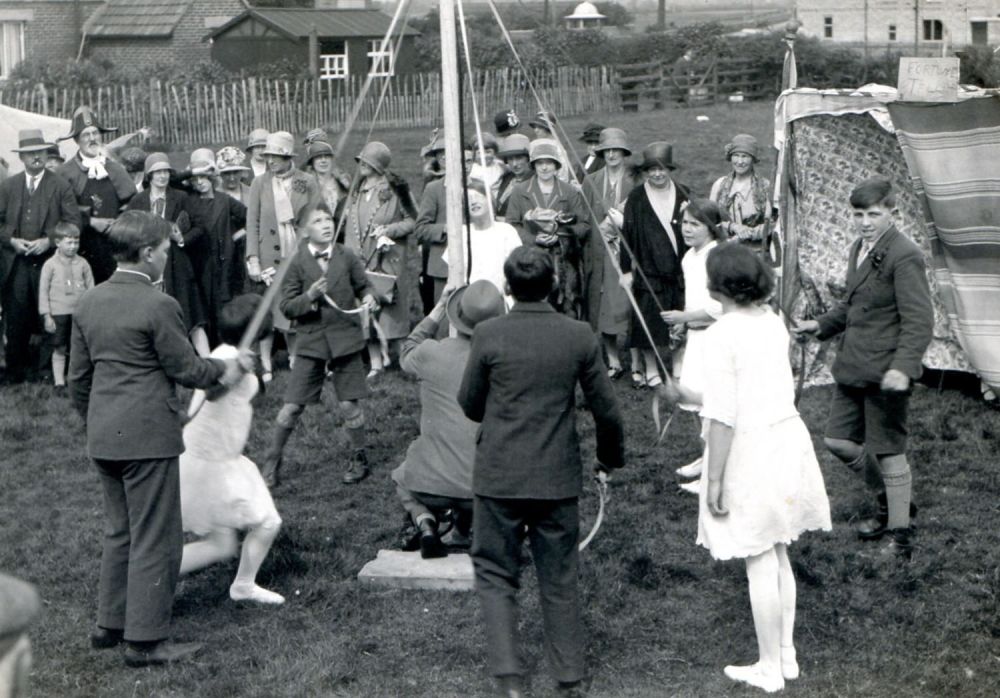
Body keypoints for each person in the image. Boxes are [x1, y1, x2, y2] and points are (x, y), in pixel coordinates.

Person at [68, 211, 248, 668]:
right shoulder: (159, 305)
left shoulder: (88, 301)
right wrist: (229, 367)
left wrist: (98, 421)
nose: (168, 257)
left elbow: (78, 381)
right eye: (166, 250)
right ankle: (145, 641)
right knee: (156, 537)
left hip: (105, 436)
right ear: (147, 253)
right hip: (147, 438)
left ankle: (110, 625)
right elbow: (187, 370)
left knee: (120, 531)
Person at [660, 243, 831, 694]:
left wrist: (713, 479)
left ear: (717, 288)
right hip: (784, 436)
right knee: (777, 550)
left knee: (758, 554)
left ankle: (769, 668)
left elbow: (723, 415)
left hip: (751, 447)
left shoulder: (721, 335)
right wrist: (689, 395)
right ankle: (786, 655)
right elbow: (747, 388)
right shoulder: (771, 322)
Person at [458, 246, 625, 698]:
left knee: (495, 572)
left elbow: (470, 405)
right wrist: (608, 461)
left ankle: (510, 678)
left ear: (508, 289)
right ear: (553, 285)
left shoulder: (488, 334)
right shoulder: (579, 335)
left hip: (499, 476)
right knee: (559, 574)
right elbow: (608, 414)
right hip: (556, 478)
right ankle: (569, 679)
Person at [793, 177, 933, 555]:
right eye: (858, 214)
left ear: (893, 213)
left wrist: (903, 367)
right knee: (837, 440)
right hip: (854, 364)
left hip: (886, 371)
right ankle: (894, 503)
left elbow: (919, 320)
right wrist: (820, 324)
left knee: (888, 449)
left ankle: (899, 534)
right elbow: (853, 305)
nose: (865, 221)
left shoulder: (905, 255)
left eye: (874, 213)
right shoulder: (859, 247)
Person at [259, 202, 379, 487]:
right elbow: (287, 307)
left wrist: (369, 296)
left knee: (350, 404)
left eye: (328, 219)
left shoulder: (346, 255)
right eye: (318, 221)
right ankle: (272, 459)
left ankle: (358, 456)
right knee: (291, 407)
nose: (326, 224)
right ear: (304, 230)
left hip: (345, 339)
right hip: (312, 341)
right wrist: (310, 296)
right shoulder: (295, 262)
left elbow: (364, 285)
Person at [179, 294, 284, 605]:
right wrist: (236, 371)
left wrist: (247, 368)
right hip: (211, 462)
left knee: (220, 544)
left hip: (218, 455)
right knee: (268, 521)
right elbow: (212, 393)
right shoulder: (227, 359)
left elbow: (255, 393)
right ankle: (149, 576)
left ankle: (147, 577)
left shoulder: (233, 353)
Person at [393, 280, 506, 558]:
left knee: (401, 478)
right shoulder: (504, 361)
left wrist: (438, 308)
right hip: (485, 491)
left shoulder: (433, 352)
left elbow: (407, 349)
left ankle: (425, 522)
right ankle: (475, 528)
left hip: (429, 485)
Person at [0, 129, 80, 384]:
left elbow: (74, 220)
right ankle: (15, 371)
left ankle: (46, 371)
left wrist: (49, 241)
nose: (36, 157)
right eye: (30, 153)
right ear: (21, 158)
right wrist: (11, 240)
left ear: (47, 154)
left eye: (41, 152)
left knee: (50, 315)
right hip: (17, 263)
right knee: (16, 316)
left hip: (50, 262)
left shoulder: (60, 186)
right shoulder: (8, 186)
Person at [660, 199, 728, 493]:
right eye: (684, 223)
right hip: (698, 335)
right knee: (700, 404)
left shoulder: (717, 257)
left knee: (714, 404)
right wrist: (683, 325)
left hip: (718, 337)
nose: (686, 229)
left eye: (694, 224)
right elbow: (694, 300)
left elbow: (719, 308)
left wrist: (684, 317)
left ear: (710, 228)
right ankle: (707, 456)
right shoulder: (690, 256)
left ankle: (715, 472)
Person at [245, 130, 322, 382]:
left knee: (296, 306)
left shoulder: (306, 181)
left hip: (298, 253)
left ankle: (295, 356)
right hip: (269, 257)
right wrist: (253, 258)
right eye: (268, 156)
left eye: (275, 157)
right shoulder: (260, 183)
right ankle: (265, 363)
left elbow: (318, 217)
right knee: (267, 310)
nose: (271, 162)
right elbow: (252, 222)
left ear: (288, 157)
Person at [341, 141, 416, 377]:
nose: (361, 165)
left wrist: (389, 230)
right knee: (365, 311)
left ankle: (405, 360)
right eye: (361, 161)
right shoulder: (356, 189)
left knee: (392, 312)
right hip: (359, 259)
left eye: (367, 161)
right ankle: (375, 363)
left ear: (378, 165)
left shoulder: (396, 189)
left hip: (387, 261)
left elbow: (414, 221)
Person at [619, 141, 688, 389]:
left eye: (662, 169)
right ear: (646, 172)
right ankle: (651, 368)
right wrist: (626, 270)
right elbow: (626, 237)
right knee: (648, 321)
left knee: (681, 318)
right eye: (652, 170)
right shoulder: (637, 198)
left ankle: (679, 365)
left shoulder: (683, 193)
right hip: (649, 272)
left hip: (679, 271)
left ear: (670, 169)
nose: (657, 174)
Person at [125, 152, 209, 355]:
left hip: (176, 264)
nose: (162, 176)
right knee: (151, 316)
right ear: (149, 175)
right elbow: (129, 231)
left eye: (166, 171)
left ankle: (207, 363)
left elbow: (200, 226)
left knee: (189, 315)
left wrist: (181, 239)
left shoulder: (181, 198)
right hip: (148, 265)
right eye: (157, 172)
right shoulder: (138, 201)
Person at [504, 139, 591, 319]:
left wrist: (561, 236)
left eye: (549, 163)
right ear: (534, 166)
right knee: (533, 305)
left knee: (566, 308)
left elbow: (584, 225)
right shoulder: (520, 191)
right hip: (530, 260)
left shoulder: (569, 192)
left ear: (556, 165)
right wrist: (533, 239)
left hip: (563, 261)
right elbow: (511, 224)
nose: (544, 168)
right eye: (540, 163)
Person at [56, 106, 136, 284]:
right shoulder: (65, 173)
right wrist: (91, 221)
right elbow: (59, 209)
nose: (92, 139)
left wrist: (120, 222)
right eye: (86, 134)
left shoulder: (116, 168)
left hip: (115, 246)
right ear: (77, 140)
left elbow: (132, 201)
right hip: (79, 247)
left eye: (96, 133)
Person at [582, 127, 635, 380]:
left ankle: (636, 361)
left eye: (616, 150)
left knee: (629, 304)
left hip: (627, 254)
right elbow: (584, 217)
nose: (612, 154)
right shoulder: (591, 180)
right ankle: (613, 360)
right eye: (607, 150)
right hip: (599, 253)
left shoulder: (635, 180)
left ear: (624, 152)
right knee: (603, 306)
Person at [185, 149, 247, 345]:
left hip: (223, 260)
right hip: (200, 262)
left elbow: (251, 217)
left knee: (223, 303)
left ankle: (227, 346)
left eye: (204, 177)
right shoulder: (189, 201)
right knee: (203, 304)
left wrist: (236, 236)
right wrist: (190, 172)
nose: (200, 182)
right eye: (195, 180)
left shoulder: (224, 200)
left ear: (212, 178)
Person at [38, 222, 93, 394]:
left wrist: (90, 310)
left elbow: (91, 288)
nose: (73, 247)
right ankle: (59, 382)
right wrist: (47, 315)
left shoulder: (83, 264)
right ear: (58, 243)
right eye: (69, 243)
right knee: (59, 346)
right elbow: (43, 291)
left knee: (78, 347)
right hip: (58, 313)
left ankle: (76, 380)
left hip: (79, 313)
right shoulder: (50, 265)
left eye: (76, 243)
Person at [455, 181, 522, 298]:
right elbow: (455, 272)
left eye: (478, 197)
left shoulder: (506, 231)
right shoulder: (461, 233)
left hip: (502, 297)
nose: (473, 202)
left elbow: (518, 267)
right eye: (468, 199)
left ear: (489, 200)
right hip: (470, 299)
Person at [709, 134, 774, 256]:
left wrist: (747, 234)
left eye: (745, 156)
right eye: (736, 155)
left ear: (753, 159)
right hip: (726, 251)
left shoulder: (765, 187)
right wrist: (733, 227)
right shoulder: (719, 185)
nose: (740, 161)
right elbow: (710, 220)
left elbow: (773, 223)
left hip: (756, 253)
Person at [414, 133, 451, 312]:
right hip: (438, 249)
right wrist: (443, 229)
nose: (443, 156)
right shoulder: (431, 182)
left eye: (447, 151)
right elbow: (421, 224)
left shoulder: (473, 183)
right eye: (439, 153)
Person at [303, 137, 351, 219]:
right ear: (312, 162)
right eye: (318, 157)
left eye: (327, 157)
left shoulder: (343, 182)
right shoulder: (307, 184)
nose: (323, 160)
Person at [494, 134, 532, 222]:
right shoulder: (506, 177)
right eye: (510, 159)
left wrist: (502, 220)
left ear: (528, 159)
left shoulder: (534, 180)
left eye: (519, 158)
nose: (514, 164)